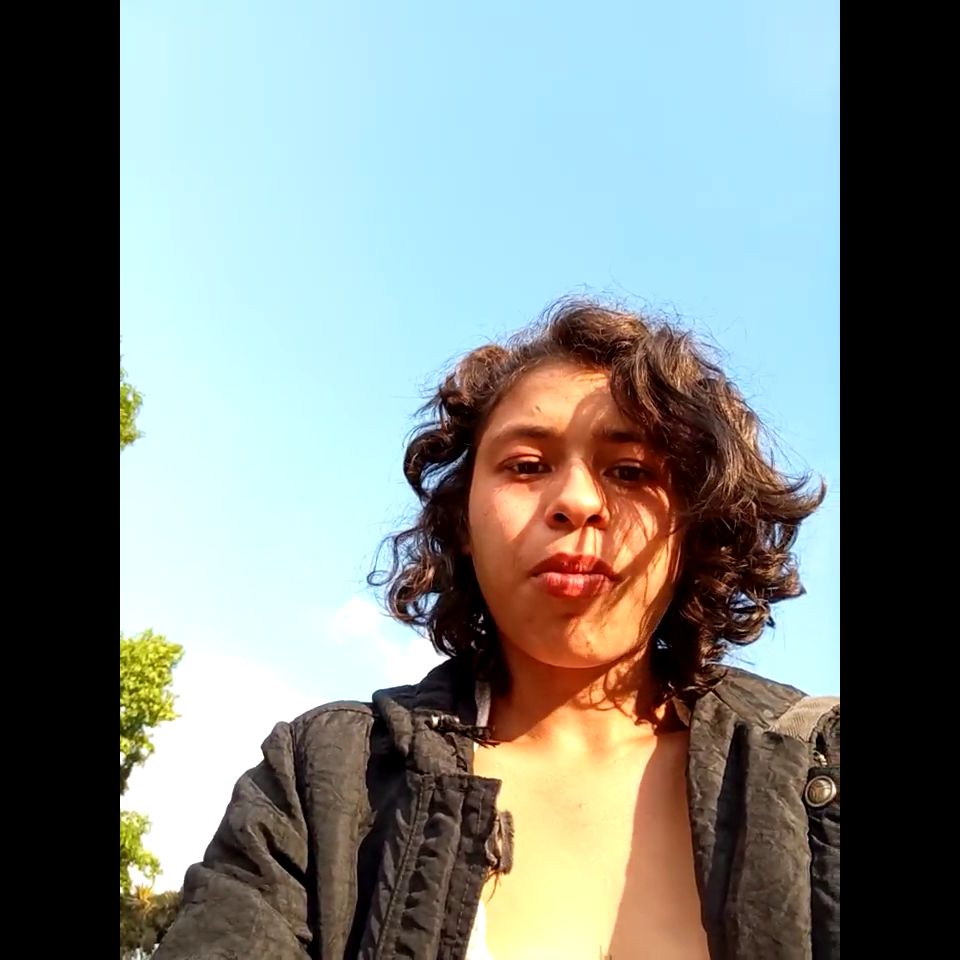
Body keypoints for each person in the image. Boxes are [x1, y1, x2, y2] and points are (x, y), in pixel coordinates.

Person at [155, 299, 839, 960]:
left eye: (631, 471)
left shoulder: (820, 765)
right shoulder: (320, 780)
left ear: (693, 525)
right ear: (463, 521)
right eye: (527, 466)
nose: (576, 501)